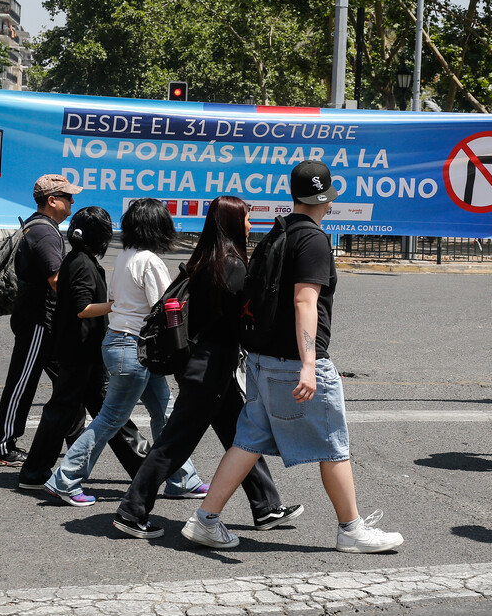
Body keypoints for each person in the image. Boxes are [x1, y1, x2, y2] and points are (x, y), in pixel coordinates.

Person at [181, 161, 404, 553]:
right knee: (333, 445)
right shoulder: (314, 240)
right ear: (327, 199)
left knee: (247, 441)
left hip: (263, 359)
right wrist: (308, 364)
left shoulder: (277, 233)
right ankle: (351, 529)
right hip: (294, 362)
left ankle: (205, 520)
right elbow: (305, 300)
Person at [113, 196, 302, 538]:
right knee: (175, 443)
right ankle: (132, 510)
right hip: (208, 369)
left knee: (243, 436)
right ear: (232, 222)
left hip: (208, 365)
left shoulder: (208, 259)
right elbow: (242, 321)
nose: (249, 224)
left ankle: (265, 506)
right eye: (245, 218)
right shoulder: (230, 265)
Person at [44, 198, 205, 505]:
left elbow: (120, 300)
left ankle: (182, 479)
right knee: (111, 418)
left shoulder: (125, 256)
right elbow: (166, 308)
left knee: (163, 413)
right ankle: (64, 479)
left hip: (123, 344)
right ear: (158, 227)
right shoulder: (150, 261)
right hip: (136, 348)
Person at [16, 205, 152, 491]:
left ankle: (144, 469)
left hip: (81, 348)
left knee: (106, 410)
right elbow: (82, 308)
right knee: (71, 410)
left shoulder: (78, 259)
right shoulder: (82, 263)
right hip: (79, 350)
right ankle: (34, 472)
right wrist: (120, 306)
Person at [0, 174, 80, 466]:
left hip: (43, 319)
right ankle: (2, 446)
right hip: (39, 320)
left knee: (72, 381)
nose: (72, 202)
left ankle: (77, 440)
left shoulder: (40, 226)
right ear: (52, 201)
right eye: (67, 197)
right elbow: (56, 279)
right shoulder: (45, 232)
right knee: (22, 382)